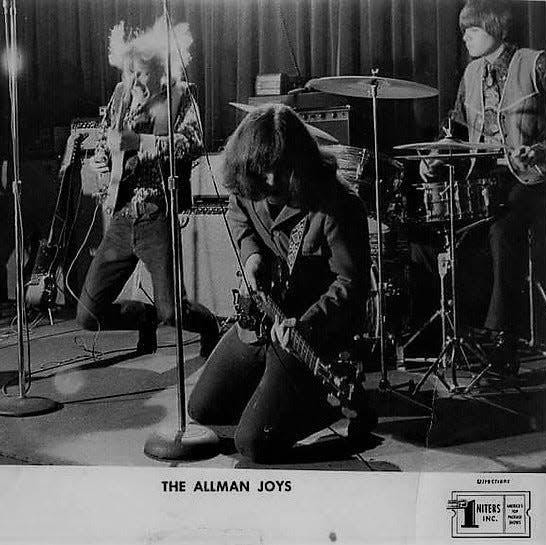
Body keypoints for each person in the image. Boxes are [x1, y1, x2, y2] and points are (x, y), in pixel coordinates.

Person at [187, 104, 375, 463]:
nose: (269, 183)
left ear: (299, 160)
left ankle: (329, 402)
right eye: (261, 171)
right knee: (203, 409)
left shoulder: (339, 205)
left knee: (253, 444)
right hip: (262, 320)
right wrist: (251, 255)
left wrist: (306, 323)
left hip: (308, 332)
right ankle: (278, 391)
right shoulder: (251, 183)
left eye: (280, 170)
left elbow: (351, 284)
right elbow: (239, 217)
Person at [76, 17, 219, 357]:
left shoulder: (179, 96)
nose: (133, 80)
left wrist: (143, 141)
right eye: (128, 72)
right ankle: (143, 317)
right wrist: (100, 161)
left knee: (173, 313)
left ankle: (209, 325)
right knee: (87, 314)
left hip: (158, 216)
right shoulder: (121, 95)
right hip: (122, 219)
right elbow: (107, 140)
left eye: (140, 73)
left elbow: (193, 143)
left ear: (159, 68)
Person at [419, 0, 546, 374]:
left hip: (533, 178)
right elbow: (454, 130)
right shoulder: (472, 74)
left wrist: (540, 148)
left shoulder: (535, 62)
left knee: (502, 230)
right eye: (462, 31)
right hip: (483, 179)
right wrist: (433, 156)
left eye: (471, 29)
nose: (464, 37)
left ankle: (503, 338)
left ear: (493, 26)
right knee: (444, 231)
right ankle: (465, 330)